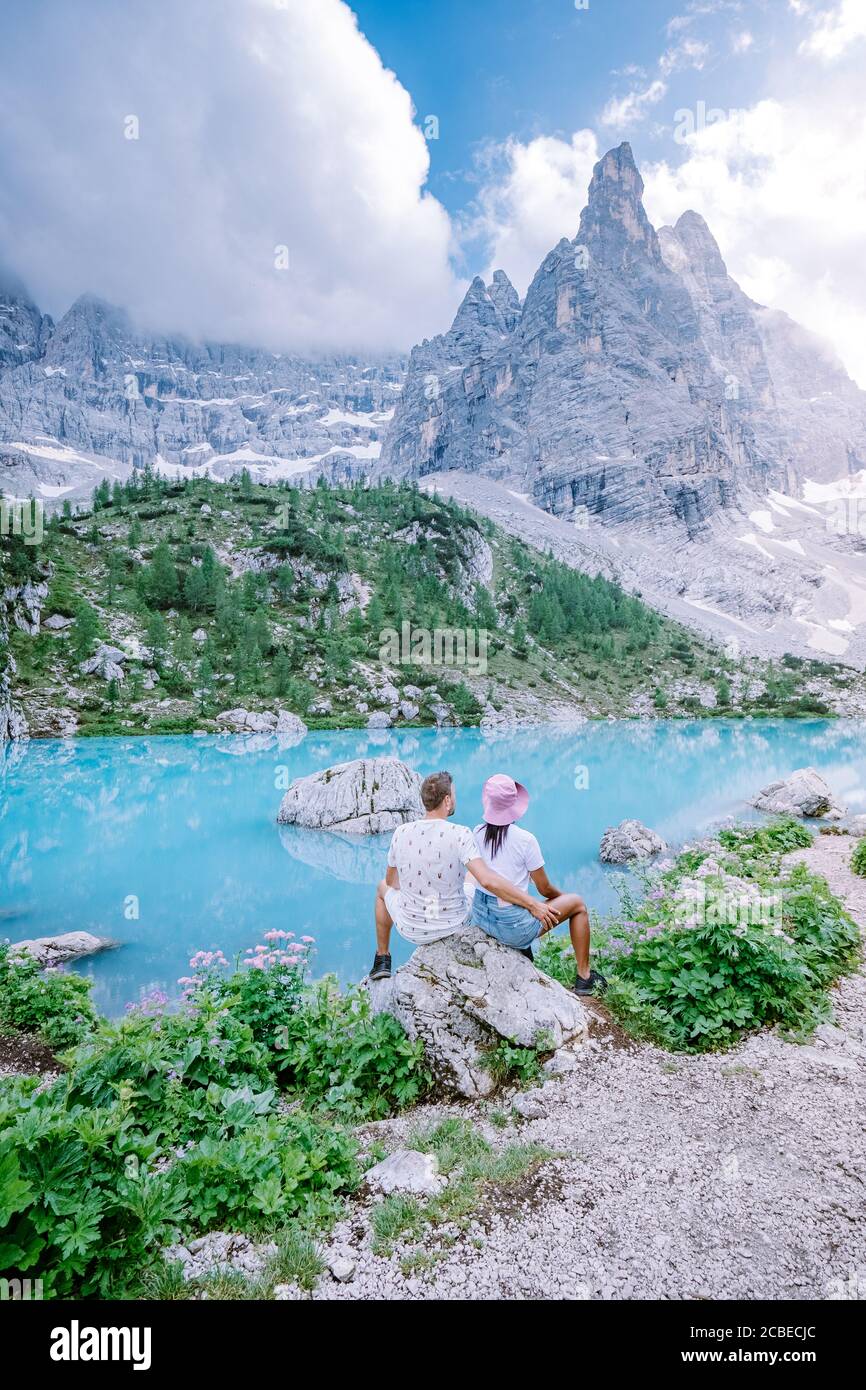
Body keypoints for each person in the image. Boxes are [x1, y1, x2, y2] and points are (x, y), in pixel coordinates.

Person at [369, 769, 559, 980]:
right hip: (453, 923)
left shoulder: (401, 832)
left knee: (381, 888)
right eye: (454, 795)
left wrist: (422, 885)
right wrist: (532, 904)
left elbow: (392, 882)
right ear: (447, 800)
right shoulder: (460, 834)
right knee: (474, 875)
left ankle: (382, 958)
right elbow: (487, 880)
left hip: (412, 928)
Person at [469, 772, 605, 995]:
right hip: (511, 928)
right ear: (513, 805)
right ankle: (585, 976)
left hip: (482, 919)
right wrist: (562, 900)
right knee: (578, 905)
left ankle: (524, 952)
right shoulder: (525, 840)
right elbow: (544, 889)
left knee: (519, 906)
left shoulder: (477, 832)